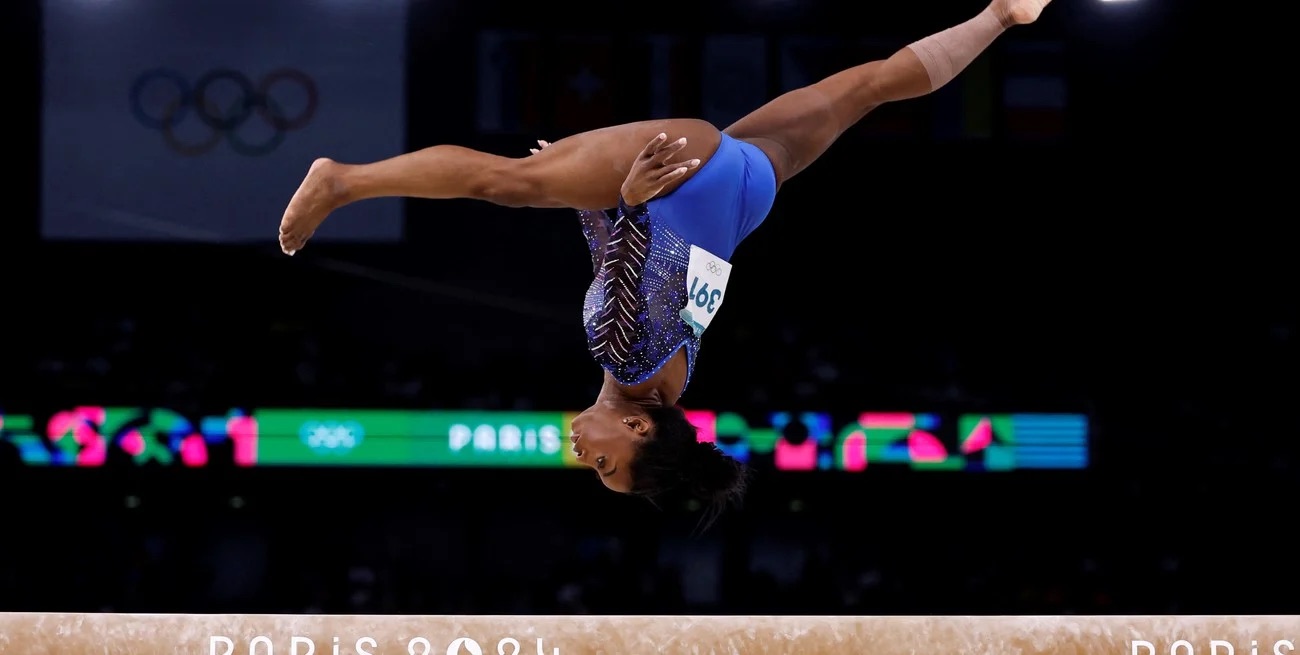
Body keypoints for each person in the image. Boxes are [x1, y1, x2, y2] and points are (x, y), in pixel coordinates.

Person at [278, 0, 1053, 518]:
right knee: (506, 183)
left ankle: (1000, 13)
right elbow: (634, 264)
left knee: (869, 89)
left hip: (744, 191)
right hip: (685, 175)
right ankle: (346, 180)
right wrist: (627, 197)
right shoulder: (624, 359)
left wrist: (588, 199)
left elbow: (635, 277)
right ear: (642, 434)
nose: (587, 457)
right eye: (607, 466)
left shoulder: (663, 375)